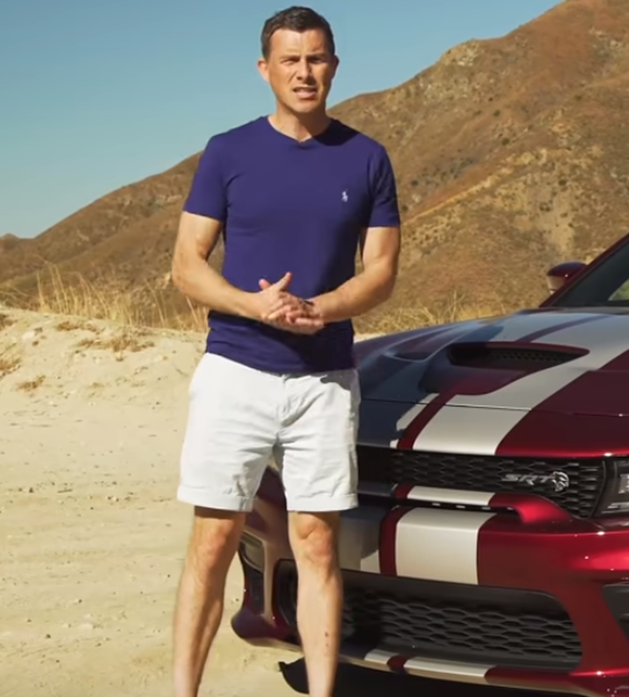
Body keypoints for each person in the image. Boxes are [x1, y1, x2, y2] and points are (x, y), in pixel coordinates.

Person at [165, 6, 401, 697]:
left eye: (318, 57)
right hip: (235, 370)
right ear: (265, 70)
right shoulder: (227, 152)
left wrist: (319, 308)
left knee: (317, 544)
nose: (305, 71)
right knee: (212, 542)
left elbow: (381, 271)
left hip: (323, 379)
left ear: (334, 65)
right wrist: (254, 304)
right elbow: (187, 263)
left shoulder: (367, 157)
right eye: (291, 60)